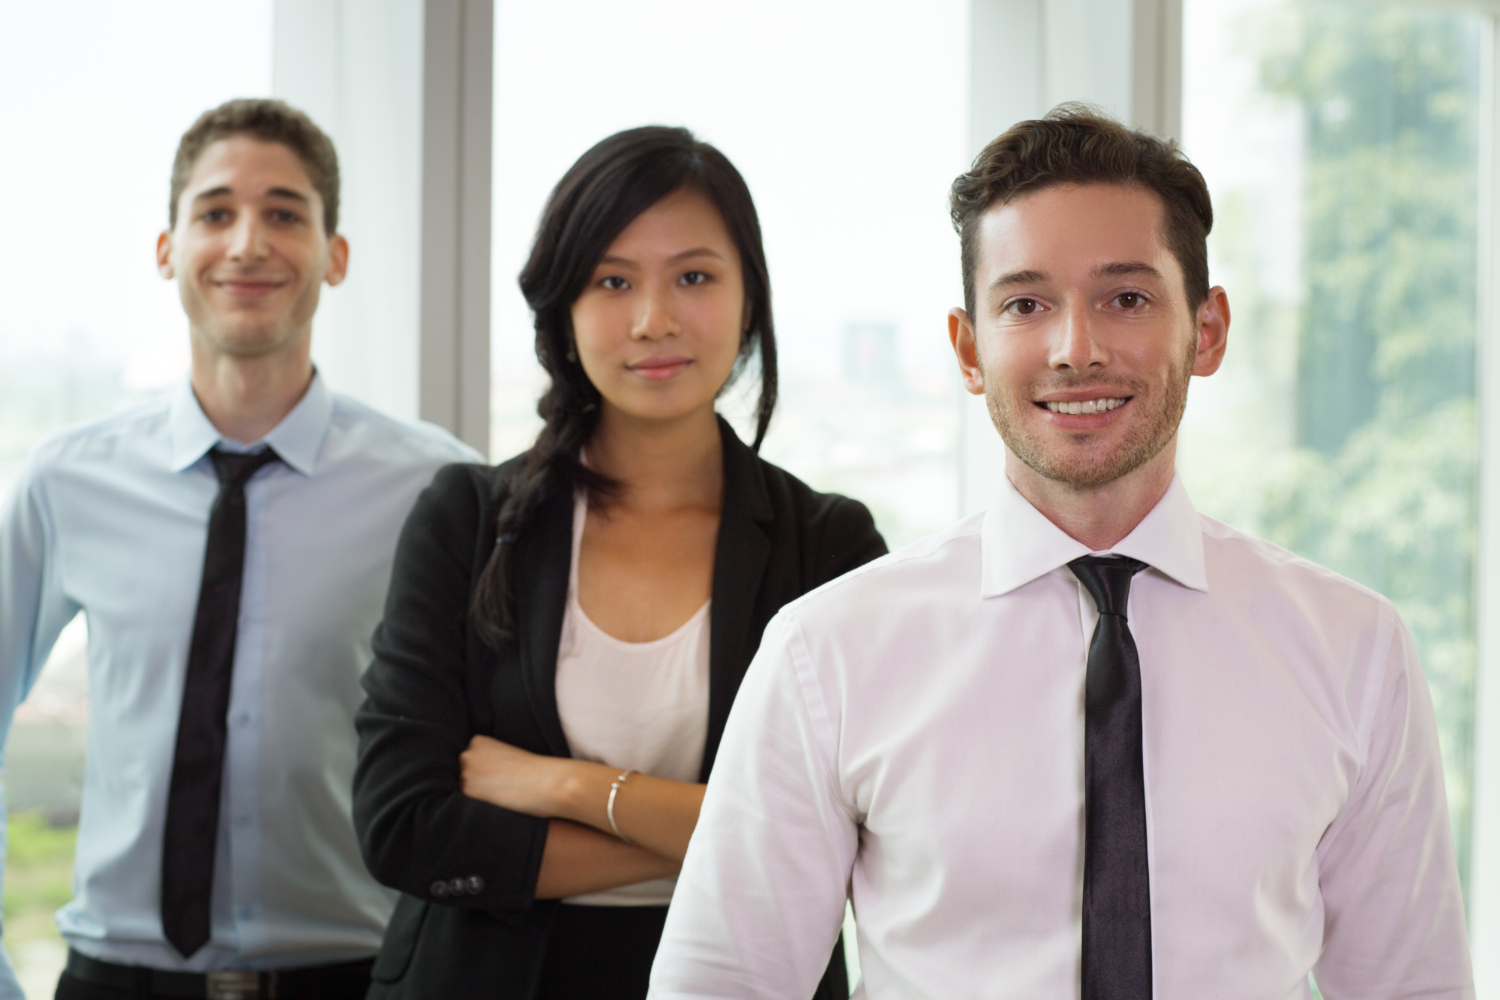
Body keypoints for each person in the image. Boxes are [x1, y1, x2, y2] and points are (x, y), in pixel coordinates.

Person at [647, 105, 1475, 999]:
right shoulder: (828, 653)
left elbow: (1412, 988)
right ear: (969, 349)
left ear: (1207, 330)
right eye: (1026, 303)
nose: (1076, 349)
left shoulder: (1355, 648)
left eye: (1126, 298)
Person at [351, 125, 886, 1000]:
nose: (654, 319)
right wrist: (706, 835)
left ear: (750, 297)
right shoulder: (466, 521)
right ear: (564, 307)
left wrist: (564, 786)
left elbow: (848, 840)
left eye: (694, 276)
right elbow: (405, 826)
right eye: (612, 280)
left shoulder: (827, 545)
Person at [0, 99, 479, 1000]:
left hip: (359, 978)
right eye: (215, 212)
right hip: (115, 980)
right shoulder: (66, 482)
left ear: (335, 257)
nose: (248, 242)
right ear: (167, 249)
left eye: (285, 213)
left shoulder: (439, 489)